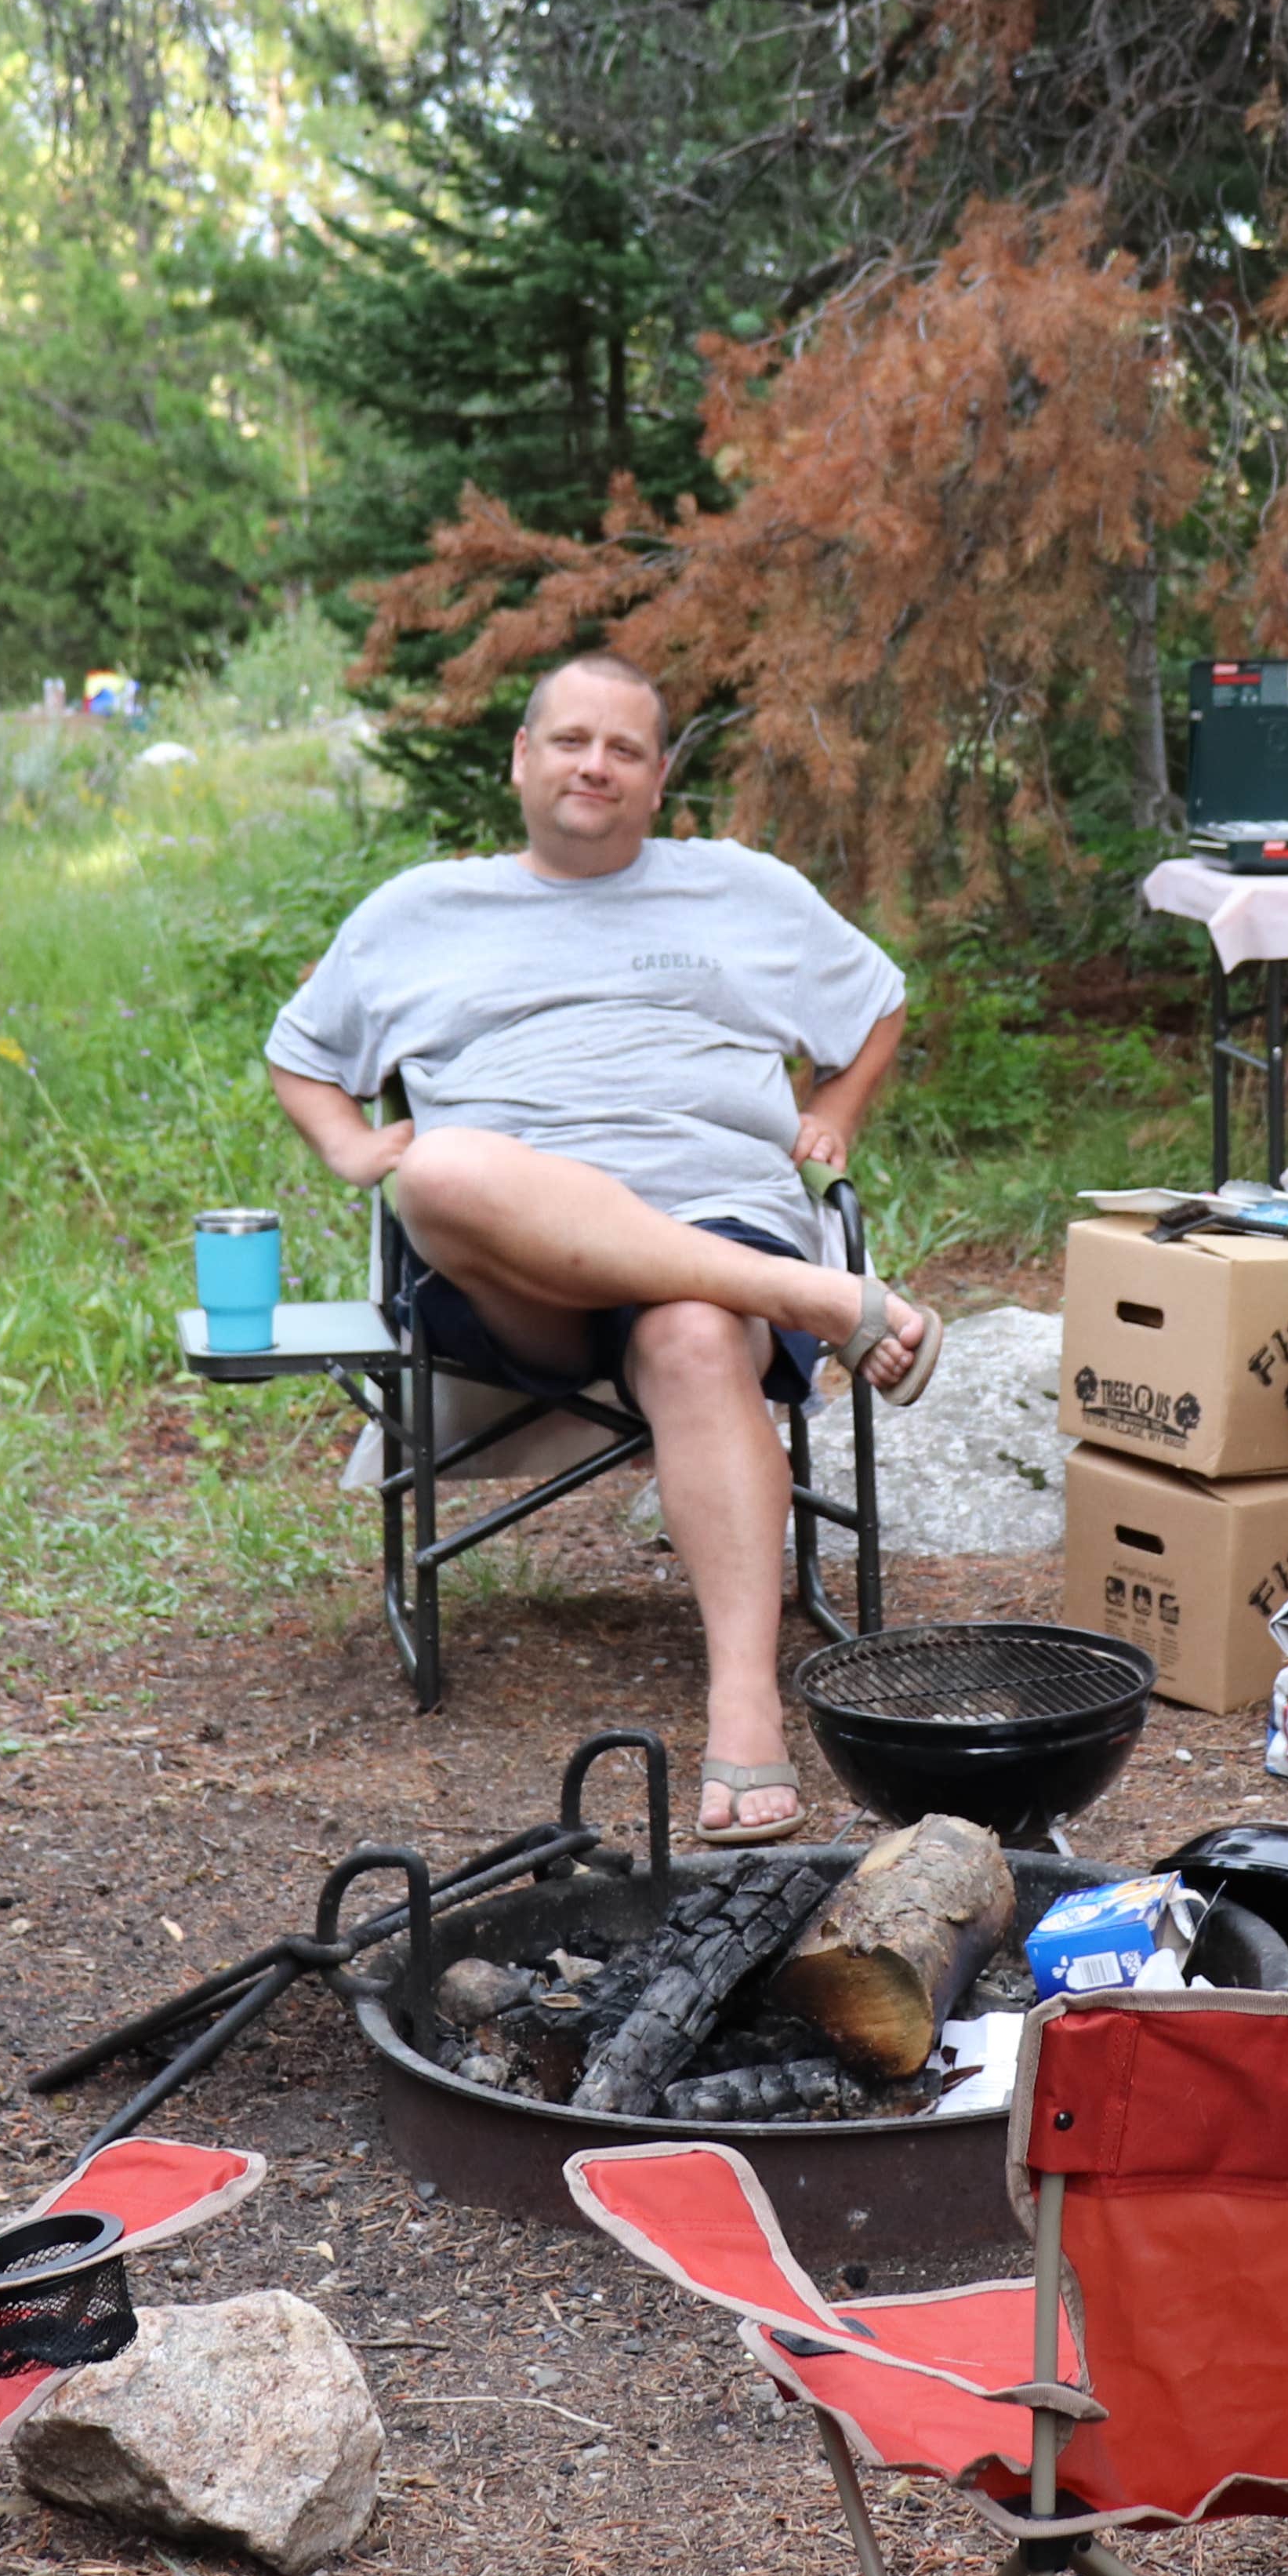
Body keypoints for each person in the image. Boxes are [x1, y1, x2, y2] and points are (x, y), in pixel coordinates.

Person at [264, 651, 935, 1845]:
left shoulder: (743, 892)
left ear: (661, 779)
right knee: (445, 1165)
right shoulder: (421, 911)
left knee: (688, 1329)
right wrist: (349, 1151)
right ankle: (813, 1295)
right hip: (514, 1271)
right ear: (522, 759)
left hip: (708, 1220)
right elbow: (303, 1052)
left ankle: (745, 1705)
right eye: (571, 740)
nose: (595, 766)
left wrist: (834, 1111)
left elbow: (876, 1002)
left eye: (625, 749)